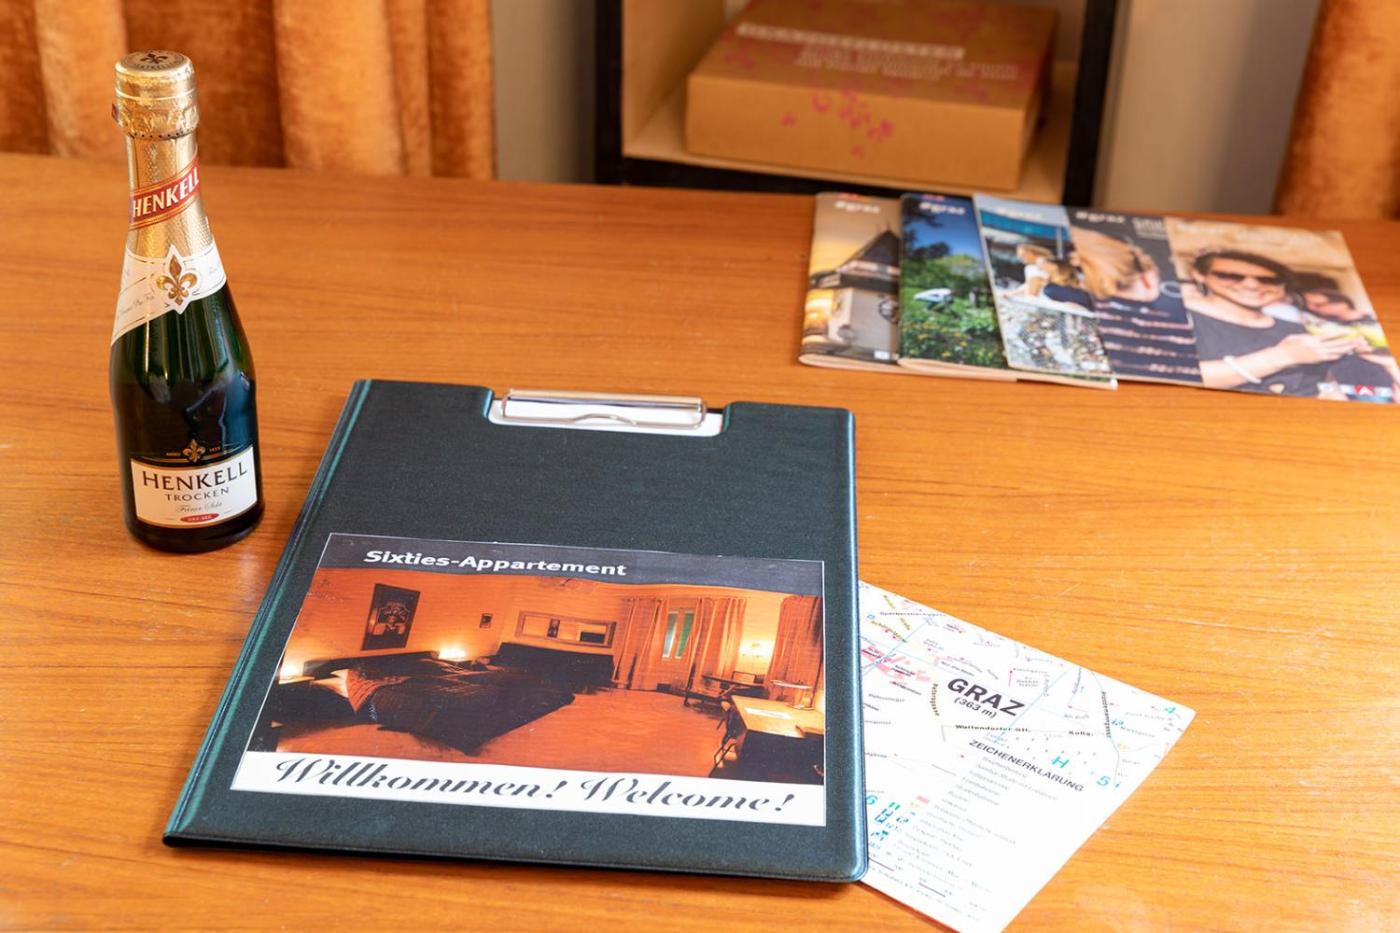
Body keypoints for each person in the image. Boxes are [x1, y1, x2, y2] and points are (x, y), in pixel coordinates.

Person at [1183, 250, 1367, 396]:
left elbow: (1327, 388)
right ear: (1199, 275)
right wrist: (1284, 356)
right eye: (1231, 275)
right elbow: (1180, 375)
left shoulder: (1297, 329)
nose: (1252, 285)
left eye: (1268, 280)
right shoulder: (1182, 318)